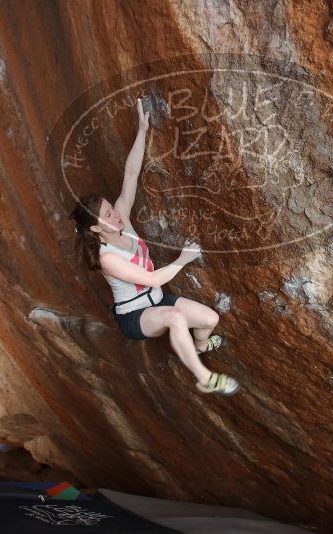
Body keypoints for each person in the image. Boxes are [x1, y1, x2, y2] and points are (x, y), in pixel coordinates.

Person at [70, 98, 240, 396]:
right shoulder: (107, 257)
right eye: (107, 215)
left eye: (112, 208)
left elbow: (131, 174)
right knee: (175, 319)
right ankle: (205, 378)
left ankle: (198, 347)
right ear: (96, 228)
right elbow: (151, 279)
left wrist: (142, 129)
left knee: (210, 319)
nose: (115, 214)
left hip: (157, 300)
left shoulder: (122, 220)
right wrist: (183, 259)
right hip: (135, 317)